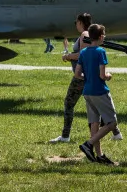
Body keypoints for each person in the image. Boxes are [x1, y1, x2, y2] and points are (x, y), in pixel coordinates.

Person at [48, 12, 122, 144]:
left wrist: (68, 56)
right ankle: (116, 133)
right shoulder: (87, 35)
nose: (75, 25)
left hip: (81, 77)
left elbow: (83, 54)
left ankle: (65, 136)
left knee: (69, 103)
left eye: (76, 22)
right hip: (86, 76)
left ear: (80, 22)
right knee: (97, 105)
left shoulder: (84, 35)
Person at [76, 24, 119, 166]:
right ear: (101, 37)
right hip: (100, 91)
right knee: (112, 123)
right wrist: (108, 76)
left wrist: (88, 77)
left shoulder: (83, 52)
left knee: (94, 122)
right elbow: (102, 75)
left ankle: (99, 155)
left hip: (87, 91)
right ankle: (88, 144)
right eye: (104, 35)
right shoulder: (101, 51)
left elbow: (77, 74)